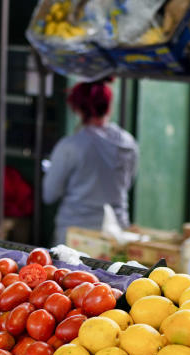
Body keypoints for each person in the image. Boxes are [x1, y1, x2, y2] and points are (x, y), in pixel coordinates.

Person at [43, 79, 139, 246]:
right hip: (116, 236)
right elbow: (128, 183)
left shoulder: (70, 146)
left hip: (74, 239)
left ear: (78, 109)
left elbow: (49, 194)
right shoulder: (128, 143)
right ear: (109, 106)